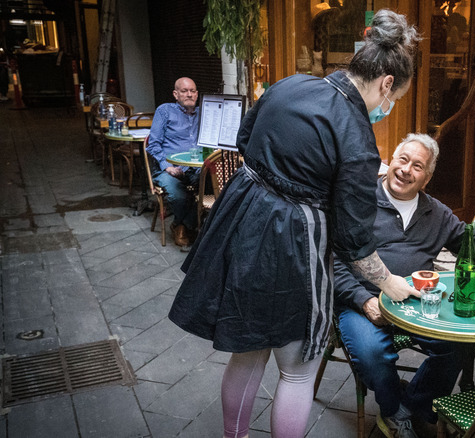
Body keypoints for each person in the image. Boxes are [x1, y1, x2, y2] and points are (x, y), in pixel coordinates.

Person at [168, 10, 421, 438]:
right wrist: (390, 284)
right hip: (293, 246)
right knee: (298, 370)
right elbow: (354, 239)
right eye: (390, 100)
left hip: (241, 219)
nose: (385, 108)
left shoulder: (290, 84)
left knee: (247, 353)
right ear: (386, 83)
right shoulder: (358, 139)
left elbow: (245, 141)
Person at [334, 133, 475, 438]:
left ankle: (415, 405)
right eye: (402, 159)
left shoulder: (435, 213)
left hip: (414, 301)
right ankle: (394, 410)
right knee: (372, 355)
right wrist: (363, 301)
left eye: (418, 166)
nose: (406, 169)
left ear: (427, 178)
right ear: (391, 161)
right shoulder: (360, 201)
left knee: (460, 343)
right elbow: (334, 261)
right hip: (363, 301)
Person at [146, 77, 201, 248]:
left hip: (196, 168)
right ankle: (185, 227)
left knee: (215, 188)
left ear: (197, 94)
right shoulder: (165, 111)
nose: (189, 94)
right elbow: (153, 144)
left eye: (192, 91)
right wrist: (166, 166)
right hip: (168, 168)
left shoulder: (204, 113)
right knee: (179, 195)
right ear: (175, 94)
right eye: (184, 91)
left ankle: (181, 226)